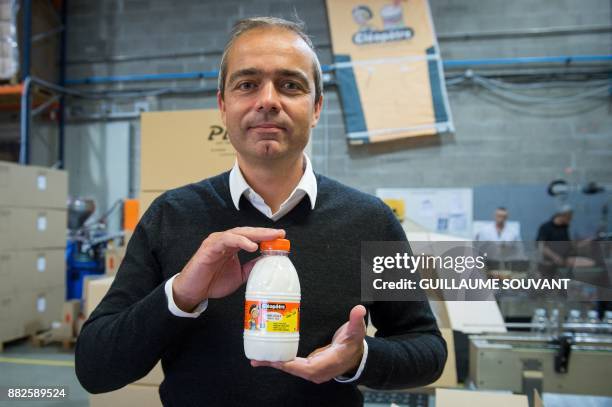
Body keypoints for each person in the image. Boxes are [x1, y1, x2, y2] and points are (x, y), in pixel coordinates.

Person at [75, 17, 446, 407]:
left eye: (290, 85)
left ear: (316, 107)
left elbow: (427, 349)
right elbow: (95, 369)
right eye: (247, 84)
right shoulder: (170, 215)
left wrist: (360, 358)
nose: (268, 100)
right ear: (223, 105)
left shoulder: (371, 221)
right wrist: (181, 295)